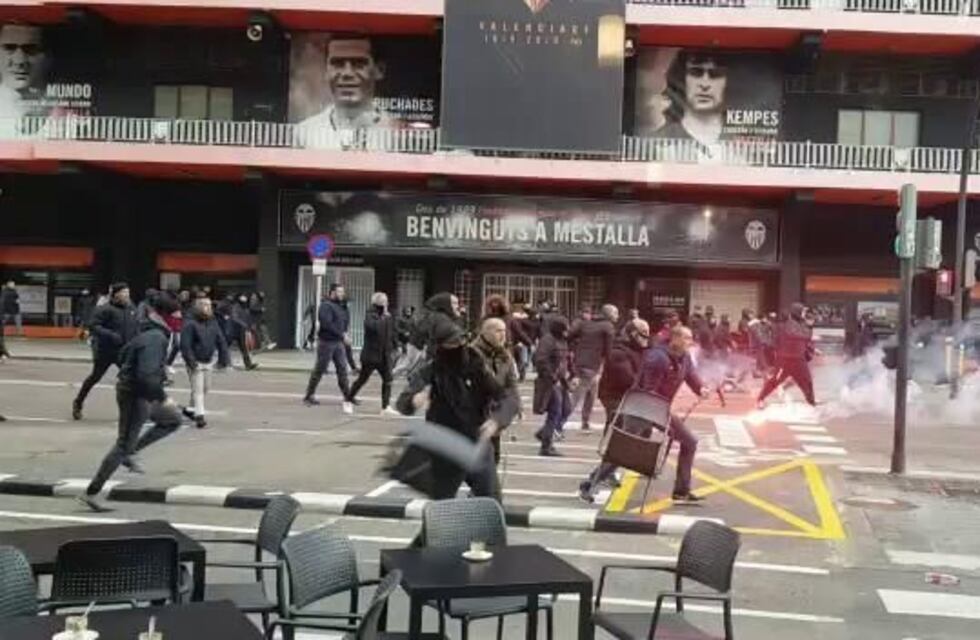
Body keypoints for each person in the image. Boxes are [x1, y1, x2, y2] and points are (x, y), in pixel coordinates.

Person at [77, 292, 185, 513]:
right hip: (135, 394)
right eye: (176, 315)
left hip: (140, 391)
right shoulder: (156, 337)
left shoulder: (150, 331)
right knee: (123, 442)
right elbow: (144, 374)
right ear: (163, 315)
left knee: (172, 420)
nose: (179, 320)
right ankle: (92, 492)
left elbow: (127, 352)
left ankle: (130, 452)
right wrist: (163, 398)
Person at [395, 320, 516, 502]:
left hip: (476, 442)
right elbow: (403, 401)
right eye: (450, 345)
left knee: (491, 502)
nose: (456, 349)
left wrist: (496, 420)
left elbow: (506, 397)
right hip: (445, 445)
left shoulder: (475, 365)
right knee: (442, 507)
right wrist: (414, 400)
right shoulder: (432, 368)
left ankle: (487, 529)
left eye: (459, 343)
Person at [579, 318, 651, 503]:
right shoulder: (619, 353)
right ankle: (591, 482)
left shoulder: (636, 351)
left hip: (629, 400)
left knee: (626, 443)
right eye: (642, 334)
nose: (646, 339)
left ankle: (606, 471)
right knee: (622, 445)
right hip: (616, 398)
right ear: (632, 334)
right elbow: (630, 380)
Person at [637, 325, 710, 504]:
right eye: (686, 338)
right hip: (644, 406)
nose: (690, 342)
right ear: (675, 339)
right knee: (626, 446)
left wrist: (701, 388)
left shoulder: (684, 357)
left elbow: (691, 375)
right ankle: (591, 482)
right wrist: (661, 409)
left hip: (662, 408)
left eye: (691, 338)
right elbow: (648, 389)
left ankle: (681, 491)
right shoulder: (657, 357)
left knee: (690, 442)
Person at [297, 37, 396, 141]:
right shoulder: (304, 134)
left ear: (379, 70)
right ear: (326, 71)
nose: (347, 73)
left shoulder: (396, 133)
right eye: (337, 64)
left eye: (359, 63)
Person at [72, 283, 139, 421]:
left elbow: (136, 327)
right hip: (105, 351)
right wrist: (111, 335)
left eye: (128, 292)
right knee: (95, 377)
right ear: (115, 294)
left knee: (131, 379)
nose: (127, 295)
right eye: (124, 292)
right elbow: (93, 326)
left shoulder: (131, 308)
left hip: (124, 351)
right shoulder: (104, 309)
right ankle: (78, 402)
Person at [653, 51, 730, 152]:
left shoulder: (741, 143)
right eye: (696, 72)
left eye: (716, 74)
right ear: (680, 79)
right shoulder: (657, 143)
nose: (704, 84)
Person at [470, 316, 520, 466]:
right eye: (498, 331)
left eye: (504, 331)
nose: (503, 335)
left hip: (494, 415)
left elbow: (511, 386)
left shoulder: (506, 357)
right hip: (472, 414)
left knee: (492, 460)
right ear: (485, 332)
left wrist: (515, 406)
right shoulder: (470, 354)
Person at [179, 297, 230, 428]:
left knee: (206, 387)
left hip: (208, 361)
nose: (207, 307)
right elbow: (185, 345)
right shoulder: (190, 323)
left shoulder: (213, 322)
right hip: (195, 361)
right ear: (197, 307)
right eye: (203, 305)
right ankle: (199, 416)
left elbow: (221, 340)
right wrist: (191, 362)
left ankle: (190, 409)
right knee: (198, 389)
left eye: (208, 305)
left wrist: (224, 359)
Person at [303, 283, 354, 413]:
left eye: (343, 291)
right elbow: (327, 324)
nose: (342, 294)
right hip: (326, 342)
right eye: (339, 292)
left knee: (342, 369)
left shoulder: (342, 306)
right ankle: (309, 395)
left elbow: (344, 322)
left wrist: (345, 333)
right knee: (320, 369)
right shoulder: (325, 306)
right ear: (332, 292)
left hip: (338, 343)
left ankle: (348, 396)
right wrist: (342, 335)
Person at [567, 304, 618, 431]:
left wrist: (575, 349)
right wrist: (610, 367)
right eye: (616, 313)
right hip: (592, 364)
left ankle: (585, 420)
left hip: (580, 361)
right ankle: (558, 422)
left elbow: (570, 336)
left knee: (591, 393)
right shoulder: (608, 327)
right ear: (609, 315)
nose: (618, 316)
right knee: (578, 395)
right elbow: (609, 350)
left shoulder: (586, 323)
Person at [757, 303, 817, 408]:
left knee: (807, 381)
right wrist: (810, 330)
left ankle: (811, 401)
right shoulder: (789, 324)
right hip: (785, 359)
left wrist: (812, 349)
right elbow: (801, 335)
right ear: (797, 312)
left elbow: (804, 341)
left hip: (799, 359)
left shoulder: (802, 324)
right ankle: (760, 399)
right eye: (802, 312)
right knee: (775, 380)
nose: (804, 314)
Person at [349, 292, 399, 414]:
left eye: (387, 301)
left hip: (384, 355)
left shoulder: (388, 316)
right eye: (385, 301)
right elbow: (374, 329)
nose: (387, 303)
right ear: (379, 303)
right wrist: (384, 317)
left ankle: (385, 406)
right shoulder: (370, 315)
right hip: (371, 355)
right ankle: (348, 398)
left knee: (388, 379)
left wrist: (396, 345)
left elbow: (391, 332)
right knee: (362, 379)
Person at [532, 315, 572, 456]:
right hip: (549, 382)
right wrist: (551, 376)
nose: (568, 330)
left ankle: (544, 433)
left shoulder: (563, 341)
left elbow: (564, 361)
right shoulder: (548, 341)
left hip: (560, 381)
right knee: (555, 412)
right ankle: (546, 446)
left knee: (567, 409)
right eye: (566, 327)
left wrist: (567, 378)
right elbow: (540, 359)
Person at [0, 24, 48, 120]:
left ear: (46, 56)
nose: (19, 60)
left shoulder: (63, 108)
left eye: (30, 49)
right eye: (9, 48)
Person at [227, 294, 258, 371]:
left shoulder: (244, 308)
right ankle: (224, 363)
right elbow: (235, 318)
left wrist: (250, 326)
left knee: (244, 348)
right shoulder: (235, 307)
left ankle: (248, 364)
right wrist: (244, 324)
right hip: (233, 330)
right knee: (226, 347)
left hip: (241, 331)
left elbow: (247, 318)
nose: (244, 302)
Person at [507, 303, 534, 382]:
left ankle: (519, 375)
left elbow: (520, 332)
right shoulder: (524, 320)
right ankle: (520, 374)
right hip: (519, 342)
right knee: (521, 360)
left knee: (518, 360)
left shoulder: (511, 319)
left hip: (514, 342)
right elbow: (520, 332)